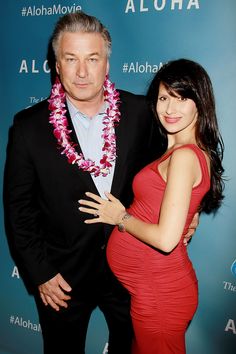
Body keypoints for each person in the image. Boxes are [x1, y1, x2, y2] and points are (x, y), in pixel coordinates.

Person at [3, 12, 197, 354]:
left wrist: (192, 212)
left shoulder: (142, 113)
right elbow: (19, 209)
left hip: (132, 273)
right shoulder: (28, 128)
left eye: (92, 59)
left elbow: (177, 165)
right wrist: (41, 273)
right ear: (56, 65)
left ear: (106, 64)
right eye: (71, 59)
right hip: (62, 278)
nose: (82, 71)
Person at [78, 59, 225, 354]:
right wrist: (190, 214)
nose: (170, 109)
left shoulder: (184, 156)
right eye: (163, 98)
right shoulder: (182, 151)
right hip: (153, 291)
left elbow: (166, 240)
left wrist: (119, 217)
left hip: (160, 295)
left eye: (182, 98)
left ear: (200, 103)